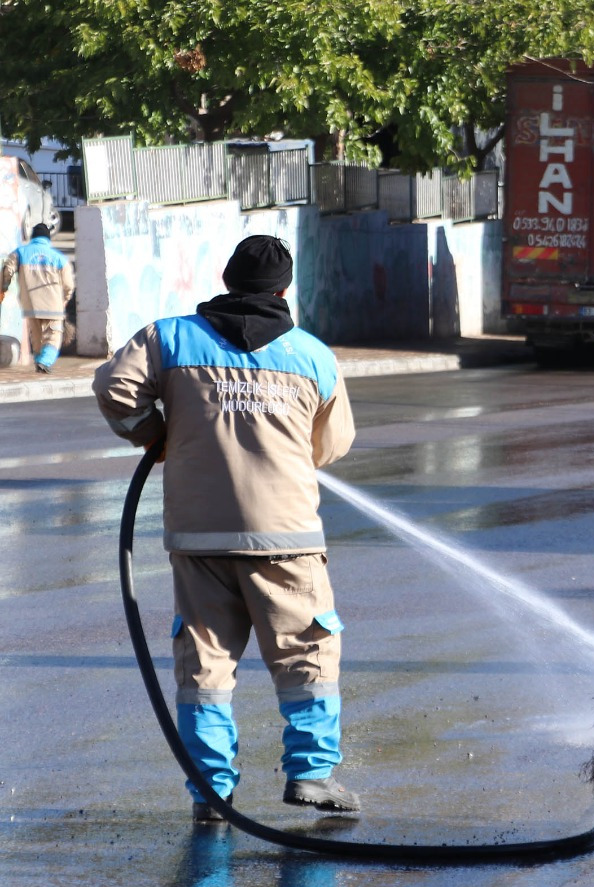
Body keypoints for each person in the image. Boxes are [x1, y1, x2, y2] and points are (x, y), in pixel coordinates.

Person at [92, 235, 361, 823]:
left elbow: (115, 389)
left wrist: (153, 434)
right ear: (284, 290)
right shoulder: (311, 354)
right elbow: (333, 444)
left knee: (205, 665)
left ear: (226, 278)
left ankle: (211, 791)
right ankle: (312, 776)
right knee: (306, 651)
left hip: (198, 536)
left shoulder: (169, 338)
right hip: (286, 537)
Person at [0, 222, 74, 373]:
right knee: (53, 336)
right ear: (48, 238)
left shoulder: (20, 252)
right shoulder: (59, 258)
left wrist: (3, 287)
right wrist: (64, 300)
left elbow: (7, 269)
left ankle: (39, 364)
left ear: (33, 237)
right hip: (54, 305)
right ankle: (43, 362)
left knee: (37, 337)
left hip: (30, 306)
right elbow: (69, 285)